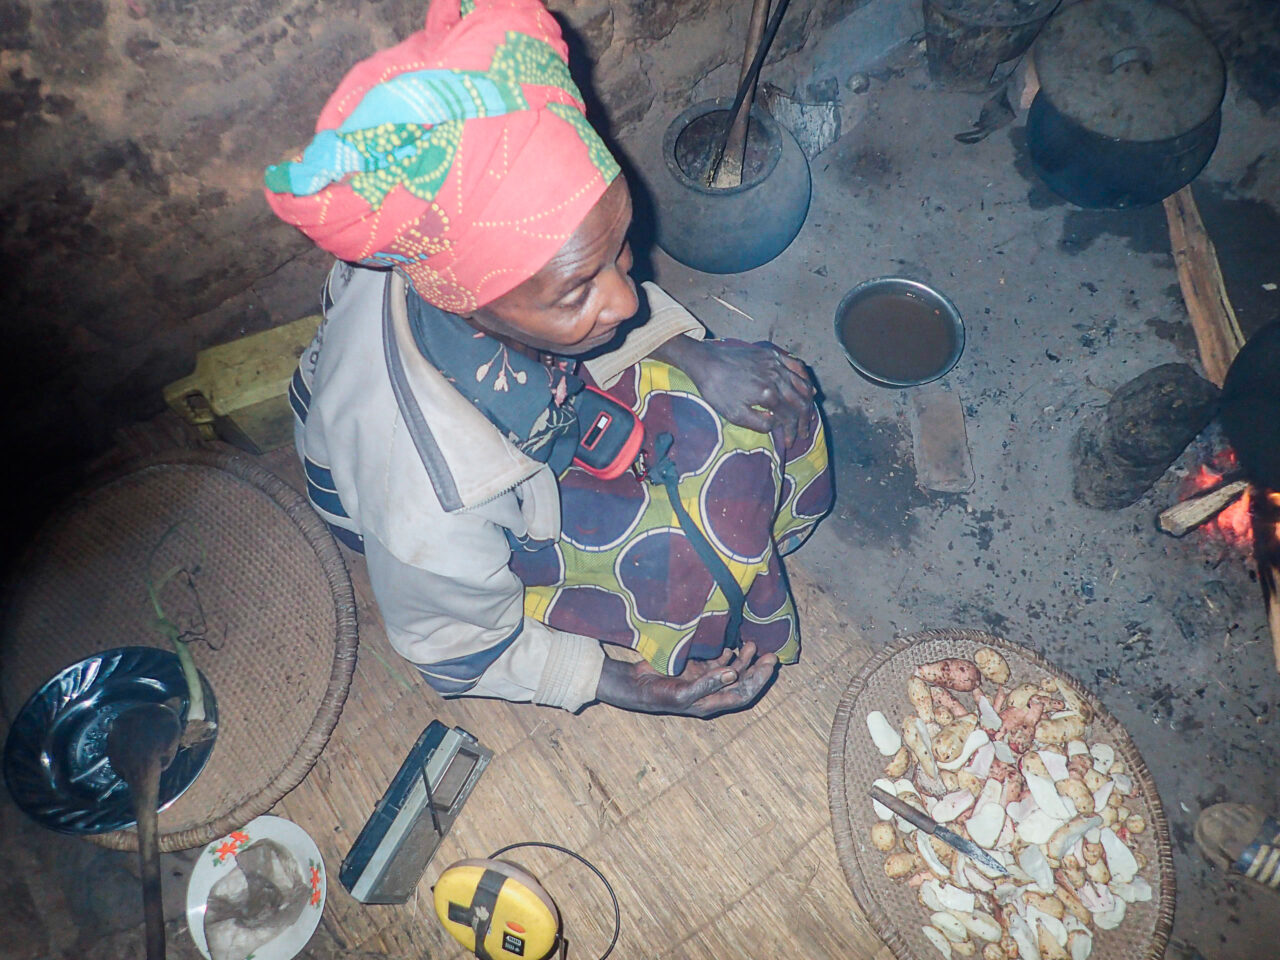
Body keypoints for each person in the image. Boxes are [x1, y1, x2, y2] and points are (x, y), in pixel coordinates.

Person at [264, 0, 833, 717]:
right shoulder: (427, 499)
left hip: (538, 397)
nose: (627, 301)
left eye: (621, 245)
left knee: (757, 398)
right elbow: (456, 648)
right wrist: (628, 686)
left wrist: (685, 349)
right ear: (472, 304)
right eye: (577, 292)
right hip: (427, 515)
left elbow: (598, 293)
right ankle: (699, 609)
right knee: (691, 554)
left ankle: (757, 543)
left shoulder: (461, 270)